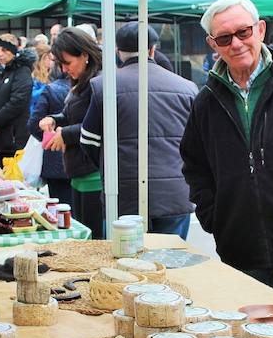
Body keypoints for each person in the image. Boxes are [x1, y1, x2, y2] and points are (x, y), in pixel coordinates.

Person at [180, 0, 273, 316]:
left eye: (243, 32)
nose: (236, 43)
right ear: (213, 44)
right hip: (241, 247)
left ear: (260, 29)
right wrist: (215, 216)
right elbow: (195, 165)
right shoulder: (206, 101)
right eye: (224, 38)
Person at [80, 22, 197, 239]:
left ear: (117, 51)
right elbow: (197, 147)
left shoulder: (104, 86)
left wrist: (111, 165)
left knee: (126, 266)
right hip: (175, 195)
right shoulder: (187, 87)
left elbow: (88, 141)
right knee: (172, 265)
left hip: (123, 196)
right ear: (153, 49)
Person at [39, 28, 104, 238]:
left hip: (93, 172)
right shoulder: (80, 83)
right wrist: (53, 119)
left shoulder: (100, 84)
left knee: (92, 240)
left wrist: (65, 134)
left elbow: (98, 124)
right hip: (78, 170)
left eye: (68, 63)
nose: (65, 69)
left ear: (84, 55)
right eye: (61, 64)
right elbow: (70, 114)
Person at [0, 33, 35, 167]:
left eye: (4, 51)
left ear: (13, 52)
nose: (0, 54)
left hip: (14, 136)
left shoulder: (22, 72)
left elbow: (17, 102)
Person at [29, 72, 73, 206]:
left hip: (55, 161)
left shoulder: (51, 89)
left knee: (60, 210)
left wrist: (49, 139)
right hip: (84, 162)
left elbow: (34, 124)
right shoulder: (91, 87)